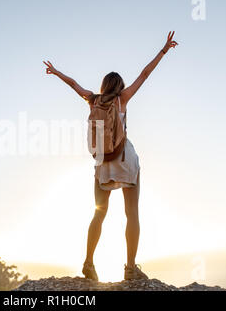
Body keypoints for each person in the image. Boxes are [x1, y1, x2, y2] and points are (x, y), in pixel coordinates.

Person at [43, 32, 178, 281]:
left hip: (102, 164)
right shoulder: (122, 100)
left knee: (99, 212)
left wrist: (56, 71)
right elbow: (145, 75)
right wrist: (163, 50)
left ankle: (88, 262)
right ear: (120, 87)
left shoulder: (93, 100)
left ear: (103, 86)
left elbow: (74, 85)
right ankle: (130, 267)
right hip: (125, 161)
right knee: (132, 213)